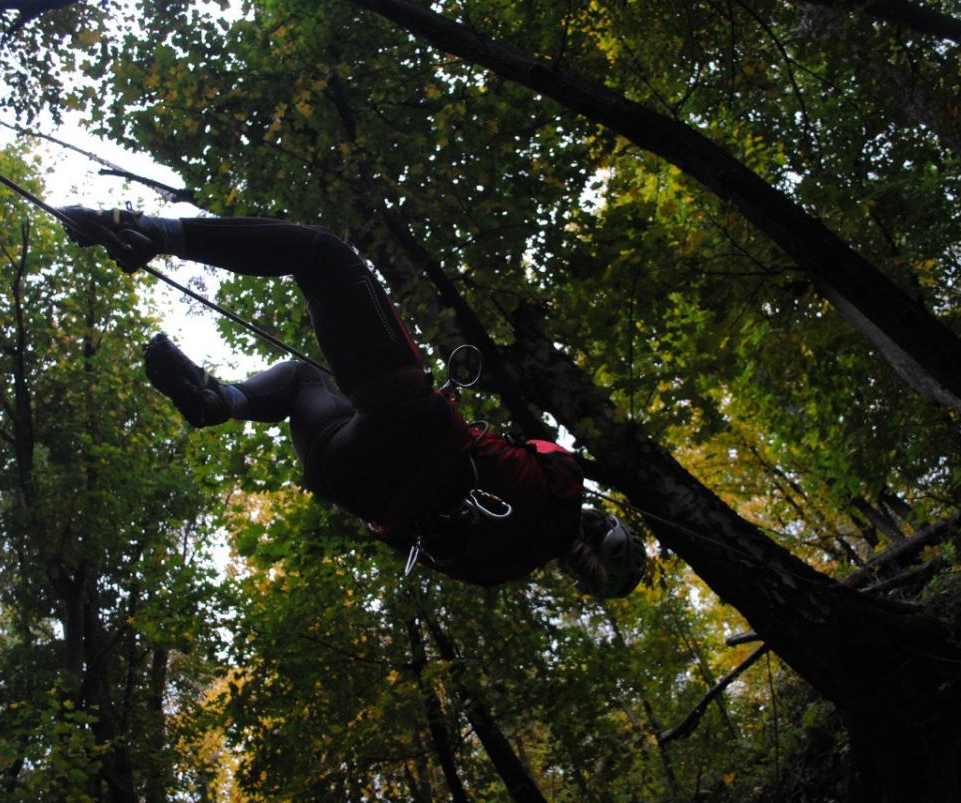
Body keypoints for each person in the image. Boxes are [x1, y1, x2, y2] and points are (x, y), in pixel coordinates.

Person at [62, 207, 646, 597]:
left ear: (601, 529)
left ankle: (148, 231)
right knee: (299, 380)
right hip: (351, 480)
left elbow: (536, 444)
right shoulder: (499, 572)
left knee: (323, 256)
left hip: (415, 428)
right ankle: (221, 402)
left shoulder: (567, 482)